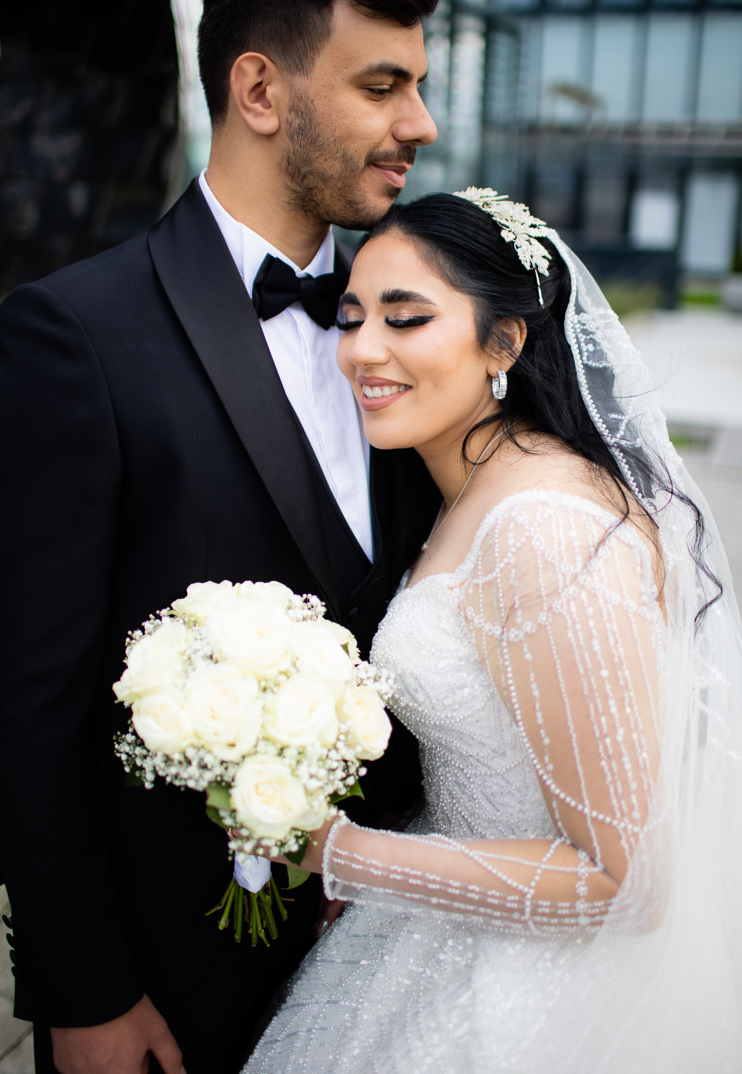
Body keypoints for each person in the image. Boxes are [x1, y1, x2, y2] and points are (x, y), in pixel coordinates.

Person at [0, 0, 440, 1074]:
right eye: (382, 86)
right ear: (259, 90)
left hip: (408, 964)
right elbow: (30, 708)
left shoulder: (424, 329)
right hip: (173, 981)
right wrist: (82, 994)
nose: (418, 127)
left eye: (418, 87)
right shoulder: (73, 334)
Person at [243, 189, 742, 1073]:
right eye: (352, 318)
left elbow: (627, 881)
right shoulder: (469, 489)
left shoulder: (545, 528)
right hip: (443, 933)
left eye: (407, 319)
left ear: (505, 342)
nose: (363, 350)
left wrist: (340, 853)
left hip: (530, 999)